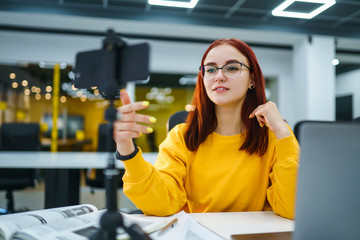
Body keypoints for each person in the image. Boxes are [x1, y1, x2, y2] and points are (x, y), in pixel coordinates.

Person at [113, 38, 300, 220]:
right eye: (210, 70)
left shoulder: (276, 136)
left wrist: (283, 131)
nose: (219, 76)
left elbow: (293, 208)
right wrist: (126, 148)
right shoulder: (181, 136)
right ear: (203, 79)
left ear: (252, 79)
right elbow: (161, 204)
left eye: (232, 68)